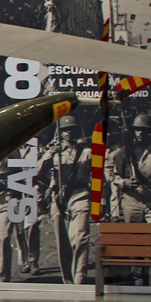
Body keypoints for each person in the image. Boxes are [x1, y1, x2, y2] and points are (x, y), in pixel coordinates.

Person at [39, 114, 93, 284]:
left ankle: (79, 278)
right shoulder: (54, 152)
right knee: (63, 243)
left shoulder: (87, 151)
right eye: (65, 130)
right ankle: (68, 281)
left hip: (80, 195)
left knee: (80, 238)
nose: (68, 133)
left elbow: (100, 176)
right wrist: (49, 155)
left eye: (72, 129)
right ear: (60, 132)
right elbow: (36, 172)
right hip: (59, 199)